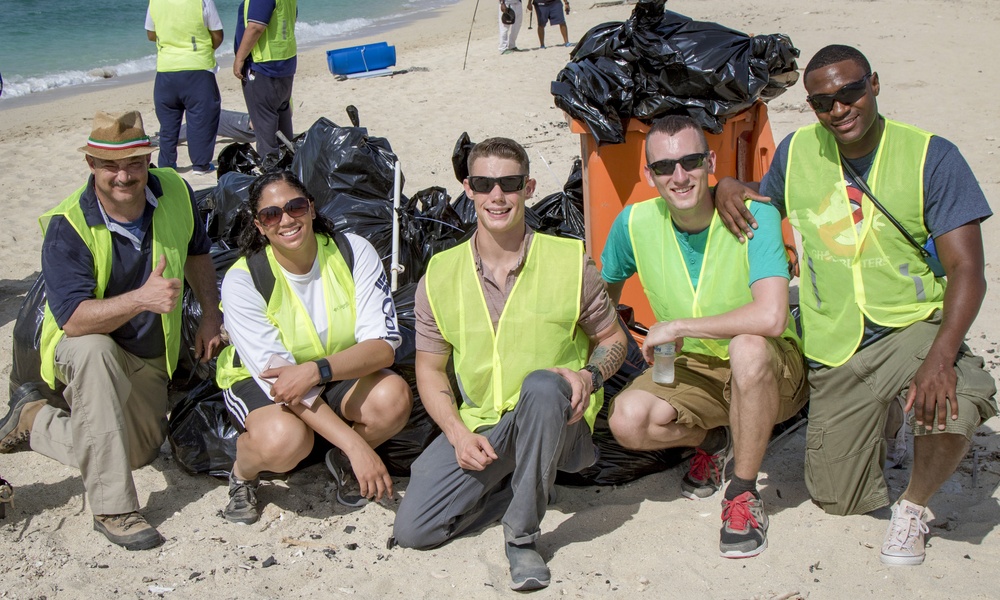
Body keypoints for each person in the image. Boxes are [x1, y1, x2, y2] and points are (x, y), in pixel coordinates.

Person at [714, 44, 997, 566]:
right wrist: (729, 184)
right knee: (837, 499)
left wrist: (939, 359)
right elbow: (766, 196)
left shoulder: (932, 155)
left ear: (874, 85)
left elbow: (968, 271)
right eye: (823, 103)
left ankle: (913, 506)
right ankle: (884, 414)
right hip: (836, 344)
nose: (839, 110)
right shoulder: (798, 151)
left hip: (911, 327)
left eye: (850, 93)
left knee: (954, 400)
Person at [393, 137, 627, 591]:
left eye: (509, 183)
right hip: (484, 426)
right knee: (414, 531)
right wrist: (458, 434)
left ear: (529, 187)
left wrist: (588, 375)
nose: (497, 196)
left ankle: (521, 538)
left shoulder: (569, 263)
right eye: (484, 183)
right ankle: (511, 482)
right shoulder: (440, 274)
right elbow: (429, 369)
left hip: (560, 422)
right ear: (469, 189)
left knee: (541, 387)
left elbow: (612, 339)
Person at [0, 110, 223, 550]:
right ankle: (113, 508)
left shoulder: (175, 190)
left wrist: (212, 316)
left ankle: (34, 419)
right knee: (92, 350)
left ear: (148, 160)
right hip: (86, 351)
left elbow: (198, 252)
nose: (124, 176)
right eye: (110, 166)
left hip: (150, 356)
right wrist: (142, 298)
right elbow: (74, 320)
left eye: (134, 163)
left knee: (135, 452)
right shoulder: (69, 226)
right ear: (91, 166)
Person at [600, 115, 807, 558]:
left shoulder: (754, 214)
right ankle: (714, 441)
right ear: (647, 173)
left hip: (769, 365)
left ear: (710, 161)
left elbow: (771, 316)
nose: (679, 176)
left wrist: (677, 327)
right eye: (664, 167)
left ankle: (743, 492)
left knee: (747, 346)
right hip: (692, 369)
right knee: (627, 419)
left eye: (691, 161)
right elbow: (601, 301)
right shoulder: (634, 223)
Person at [215, 170, 412, 524]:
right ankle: (242, 475)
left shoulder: (352, 251)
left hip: (330, 370)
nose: (286, 219)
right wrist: (358, 447)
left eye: (295, 207)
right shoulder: (244, 281)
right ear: (259, 226)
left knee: (393, 398)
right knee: (284, 441)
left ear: (312, 209)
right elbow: (281, 384)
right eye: (271, 215)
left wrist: (316, 370)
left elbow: (382, 348)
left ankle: (337, 461)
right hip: (265, 382)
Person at [145, 0, 224, 174]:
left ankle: (167, 164)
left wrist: (172, 37)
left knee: (167, 124)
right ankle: (200, 164)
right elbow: (217, 34)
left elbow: (151, 34)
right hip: (197, 68)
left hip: (166, 70)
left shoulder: (155, 2)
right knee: (202, 119)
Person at [233, 0, 296, 159]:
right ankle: (288, 166)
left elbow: (256, 26)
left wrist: (240, 58)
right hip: (284, 62)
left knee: (265, 128)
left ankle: (272, 169)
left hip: (263, 65)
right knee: (282, 122)